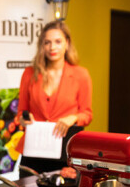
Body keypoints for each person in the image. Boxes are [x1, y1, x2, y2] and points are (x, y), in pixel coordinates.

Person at [17, 20, 92, 174]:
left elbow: (87, 114)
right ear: (42, 46)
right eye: (47, 42)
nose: (52, 47)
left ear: (67, 43)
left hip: (65, 154)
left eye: (58, 41)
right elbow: (20, 113)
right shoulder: (29, 74)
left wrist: (73, 118)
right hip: (33, 151)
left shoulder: (81, 75)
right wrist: (24, 120)